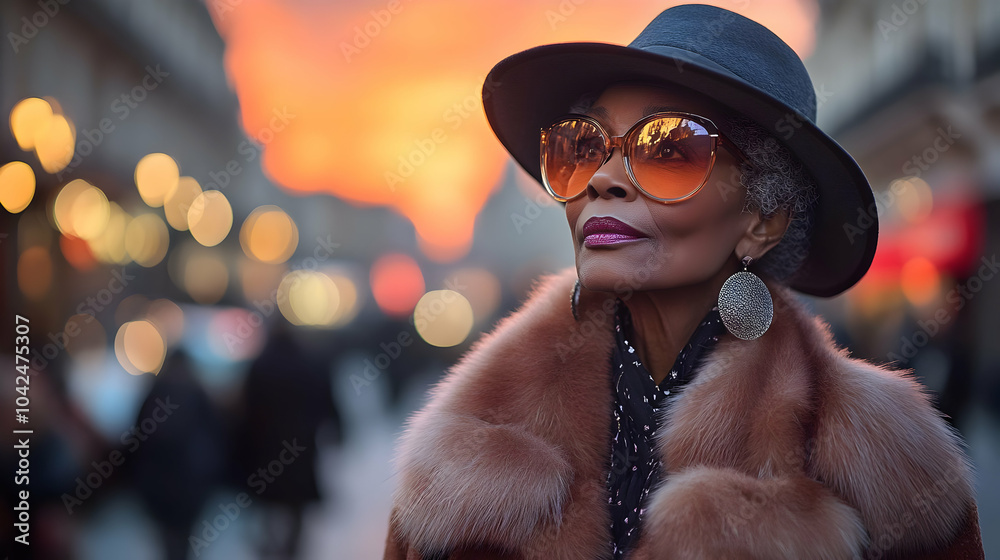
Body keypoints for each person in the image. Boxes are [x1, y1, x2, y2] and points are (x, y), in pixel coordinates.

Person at [382, 5, 984, 559]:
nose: (603, 179)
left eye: (670, 148)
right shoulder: (467, 443)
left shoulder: (882, 463)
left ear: (761, 221)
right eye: (583, 145)